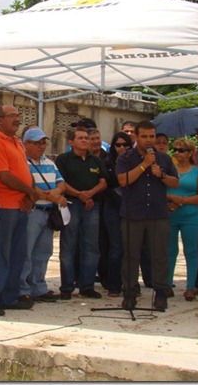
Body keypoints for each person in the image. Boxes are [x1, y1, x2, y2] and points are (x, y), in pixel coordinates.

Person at [0, 105, 38, 316]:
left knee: (17, 255)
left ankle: (8, 297)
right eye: (12, 116)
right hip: (2, 206)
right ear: (0, 120)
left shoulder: (16, 142)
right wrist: (31, 191)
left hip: (20, 206)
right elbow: (4, 176)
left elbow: (24, 171)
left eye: (18, 115)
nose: (17, 119)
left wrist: (29, 197)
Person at [116, 121, 179, 310]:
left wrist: (161, 175)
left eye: (152, 136)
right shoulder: (125, 157)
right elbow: (123, 180)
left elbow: (175, 182)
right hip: (132, 214)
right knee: (130, 255)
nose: (149, 140)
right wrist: (144, 165)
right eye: (144, 136)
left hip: (158, 213)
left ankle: (161, 292)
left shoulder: (164, 158)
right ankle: (129, 293)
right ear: (136, 137)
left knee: (159, 255)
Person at [55, 128, 108, 300]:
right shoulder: (63, 159)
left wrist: (90, 194)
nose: (85, 140)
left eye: (87, 138)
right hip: (71, 205)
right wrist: (80, 194)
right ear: (71, 142)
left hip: (91, 206)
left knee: (91, 247)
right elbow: (61, 182)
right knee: (69, 246)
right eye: (81, 138)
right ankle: (67, 287)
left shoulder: (95, 160)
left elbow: (103, 181)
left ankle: (87, 286)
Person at [21, 127, 67, 302]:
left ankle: (38, 287)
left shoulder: (49, 162)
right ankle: (22, 288)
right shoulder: (22, 162)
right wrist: (53, 196)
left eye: (43, 143)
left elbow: (61, 182)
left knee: (43, 252)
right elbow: (29, 187)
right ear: (26, 144)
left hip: (48, 213)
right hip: (33, 212)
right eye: (37, 143)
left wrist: (57, 191)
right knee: (26, 251)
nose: (42, 147)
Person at [166, 138, 198, 301]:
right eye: (175, 149)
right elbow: (161, 190)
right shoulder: (169, 170)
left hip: (191, 216)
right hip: (170, 214)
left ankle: (191, 287)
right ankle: (167, 284)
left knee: (191, 250)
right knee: (170, 251)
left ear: (190, 153)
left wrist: (180, 201)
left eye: (181, 150)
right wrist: (172, 199)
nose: (177, 153)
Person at [99, 131, 132, 297]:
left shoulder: (135, 162)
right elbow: (105, 187)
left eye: (126, 145)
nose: (122, 148)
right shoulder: (106, 162)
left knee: (131, 248)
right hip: (112, 207)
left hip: (131, 208)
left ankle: (130, 283)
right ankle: (113, 284)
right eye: (118, 145)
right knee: (116, 247)